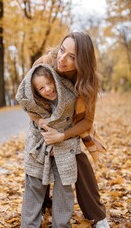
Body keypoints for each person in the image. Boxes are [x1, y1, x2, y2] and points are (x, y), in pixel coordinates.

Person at [32, 32, 110, 228]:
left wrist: (63, 135)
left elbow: (87, 122)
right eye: (62, 50)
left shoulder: (88, 82)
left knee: (79, 163)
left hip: (70, 126)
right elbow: (27, 100)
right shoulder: (44, 64)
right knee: (40, 160)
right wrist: (41, 123)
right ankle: (41, 208)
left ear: (82, 62)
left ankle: (97, 215)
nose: (62, 59)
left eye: (72, 57)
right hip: (43, 121)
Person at [16, 64, 81, 228]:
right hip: (38, 147)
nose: (47, 89)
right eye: (41, 88)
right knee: (34, 187)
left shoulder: (69, 96)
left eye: (49, 83)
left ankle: (61, 224)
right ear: (36, 92)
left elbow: (78, 121)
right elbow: (27, 109)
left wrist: (60, 138)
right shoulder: (34, 103)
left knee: (64, 189)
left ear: (55, 80)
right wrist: (39, 121)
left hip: (64, 146)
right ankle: (29, 225)